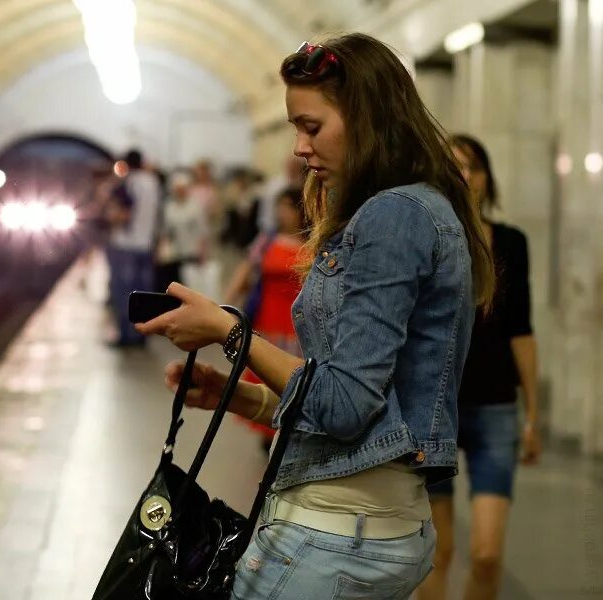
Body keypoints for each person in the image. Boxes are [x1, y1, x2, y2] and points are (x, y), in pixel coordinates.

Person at [135, 33, 495, 598]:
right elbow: (364, 399)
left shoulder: (392, 217)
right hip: (364, 524)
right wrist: (243, 393)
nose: (300, 148)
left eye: (312, 126)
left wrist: (231, 332)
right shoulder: (417, 208)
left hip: (333, 535)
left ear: (368, 120)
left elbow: (345, 407)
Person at [417, 135, 541, 600]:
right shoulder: (425, 238)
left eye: (475, 167)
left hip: (495, 408)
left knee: (487, 554)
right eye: (455, 166)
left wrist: (533, 416)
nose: (465, 176)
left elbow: (522, 331)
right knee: (439, 551)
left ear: (488, 178)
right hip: (435, 412)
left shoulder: (511, 242)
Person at [227, 187, 309, 451]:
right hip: (268, 317)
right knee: (265, 372)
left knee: (293, 375)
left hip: (298, 323)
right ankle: (268, 432)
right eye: (280, 206)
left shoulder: (315, 241)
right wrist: (226, 302)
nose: (282, 213)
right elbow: (247, 268)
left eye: (288, 207)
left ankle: (292, 429)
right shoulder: (268, 239)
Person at [106, 149, 161, 348]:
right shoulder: (153, 182)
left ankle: (125, 335)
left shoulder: (130, 182)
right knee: (145, 294)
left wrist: (110, 217)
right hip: (146, 245)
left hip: (126, 245)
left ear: (127, 164)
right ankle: (143, 335)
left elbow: (124, 213)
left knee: (124, 293)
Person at [154, 172, 210, 293]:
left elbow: (203, 231)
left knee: (188, 287)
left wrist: (203, 252)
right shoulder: (168, 206)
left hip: (191, 253)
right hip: (172, 255)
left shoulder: (195, 206)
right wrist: (160, 250)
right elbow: (163, 230)